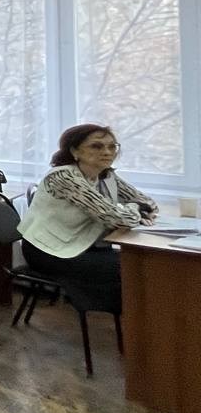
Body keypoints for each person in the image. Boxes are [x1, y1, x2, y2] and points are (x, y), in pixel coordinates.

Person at [18, 124, 157, 315]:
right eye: (97, 146)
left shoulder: (106, 175)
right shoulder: (63, 177)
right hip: (48, 250)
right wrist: (135, 209)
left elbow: (148, 203)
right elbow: (115, 218)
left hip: (85, 244)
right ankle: (137, 323)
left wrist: (137, 209)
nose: (107, 152)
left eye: (112, 146)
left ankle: (139, 322)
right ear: (75, 151)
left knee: (141, 262)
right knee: (132, 268)